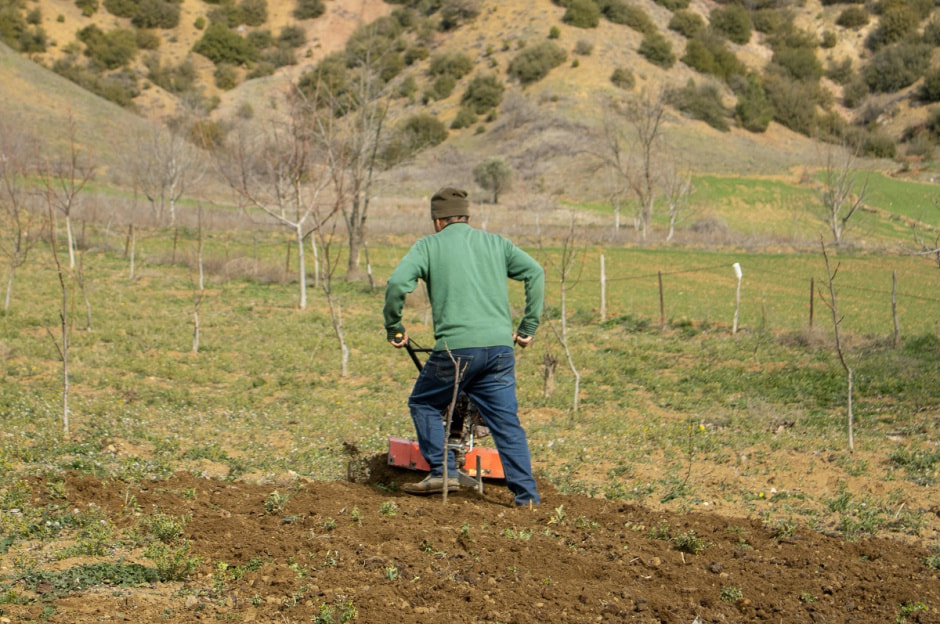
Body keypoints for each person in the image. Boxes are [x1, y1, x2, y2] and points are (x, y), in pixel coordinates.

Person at [383, 187, 544, 506]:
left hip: (456, 352)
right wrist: (527, 327)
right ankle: (527, 498)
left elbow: (396, 283)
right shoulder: (496, 243)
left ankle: (443, 470)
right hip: (500, 350)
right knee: (506, 422)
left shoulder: (428, 246)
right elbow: (535, 272)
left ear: (438, 222)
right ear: (467, 217)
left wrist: (395, 327)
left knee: (423, 403)